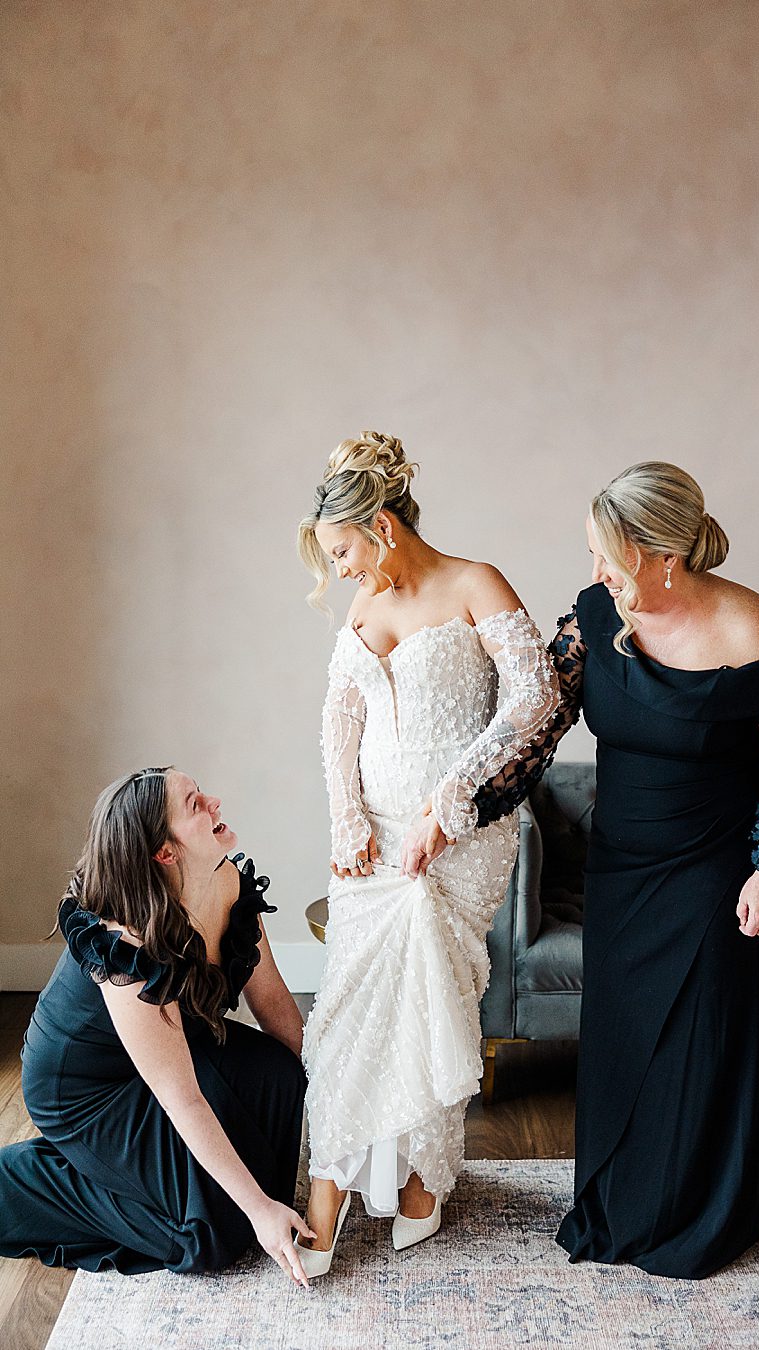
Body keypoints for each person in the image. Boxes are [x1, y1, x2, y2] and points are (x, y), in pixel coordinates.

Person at [474, 461, 759, 1279]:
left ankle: (704, 1216)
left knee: (699, 1044)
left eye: (609, 555)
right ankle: (619, 1207)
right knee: (624, 1042)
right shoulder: (598, 616)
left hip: (713, 872)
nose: (597, 573)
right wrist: (462, 804)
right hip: (622, 870)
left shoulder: (754, 627)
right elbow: (534, 726)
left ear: (660, 554)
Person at [296, 430, 559, 1275]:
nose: (339, 569)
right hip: (371, 838)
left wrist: (450, 804)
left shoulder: (476, 583)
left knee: (430, 1000)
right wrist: (345, 817)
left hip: (461, 841)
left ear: (382, 523)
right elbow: (340, 722)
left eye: (343, 549)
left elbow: (536, 697)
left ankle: (419, 1181)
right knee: (346, 1008)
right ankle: (327, 1196)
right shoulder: (362, 607)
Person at [0, 767, 314, 1284]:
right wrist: (259, 1212)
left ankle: (129, 1170)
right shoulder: (128, 944)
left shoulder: (228, 884)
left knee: (280, 1076)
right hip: (86, 1089)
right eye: (194, 804)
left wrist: (334, 1102)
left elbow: (274, 1002)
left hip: (170, 1052)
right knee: (216, 1234)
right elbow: (181, 1096)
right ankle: (26, 1181)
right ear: (164, 852)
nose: (214, 802)